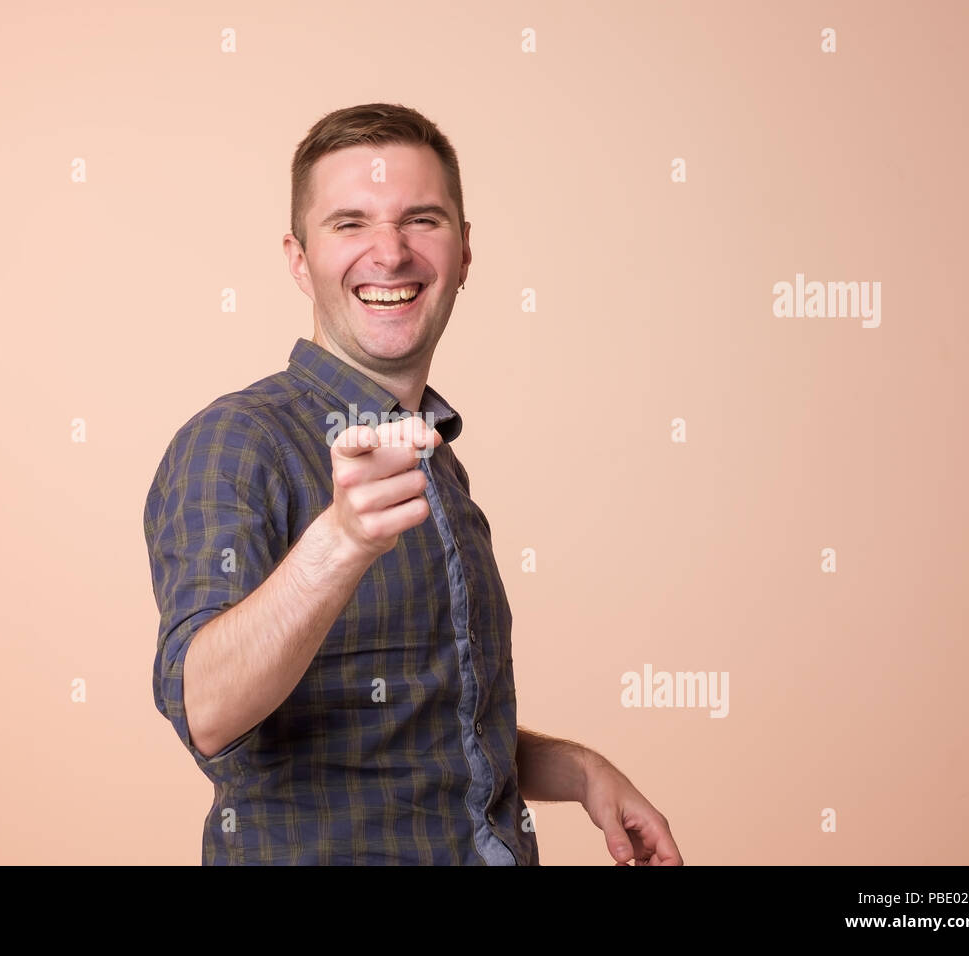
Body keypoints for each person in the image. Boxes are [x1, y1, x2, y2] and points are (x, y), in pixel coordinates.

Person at [144, 102, 683, 866]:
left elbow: (421, 724)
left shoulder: (435, 458)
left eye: (420, 220)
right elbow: (206, 707)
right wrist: (340, 542)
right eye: (351, 223)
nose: (389, 253)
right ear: (299, 260)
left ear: (463, 254)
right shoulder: (237, 442)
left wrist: (582, 771)